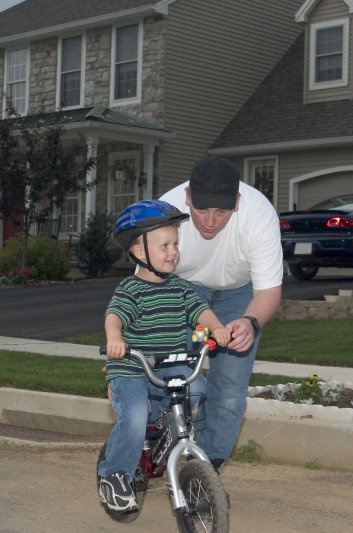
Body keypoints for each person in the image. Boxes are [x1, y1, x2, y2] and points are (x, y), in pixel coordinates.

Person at [97, 199, 231, 513]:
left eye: (175, 244)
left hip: (168, 367)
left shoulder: (180, 288)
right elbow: (114, 317)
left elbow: (201, 311)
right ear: (140, 252)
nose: (173, 251)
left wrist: (216, 327)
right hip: (132, 368)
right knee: (133, 416)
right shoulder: (130, 290)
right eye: (165, 245)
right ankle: (114, 476)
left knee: (198, 389)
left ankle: (166, 431)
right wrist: (114, 338)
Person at [160, 156, 283, 471]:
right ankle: (157, 440)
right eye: (201, 210)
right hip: (181, 288)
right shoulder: (165, 212)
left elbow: (268, 291)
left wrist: (250, 321)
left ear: (237, 202)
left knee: (228, 388)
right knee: (169, 372)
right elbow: (145, 290)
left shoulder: (259, 215)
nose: (210, 222)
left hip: (239, 294)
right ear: (188, 198)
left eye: (221, 212)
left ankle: (205, 470)